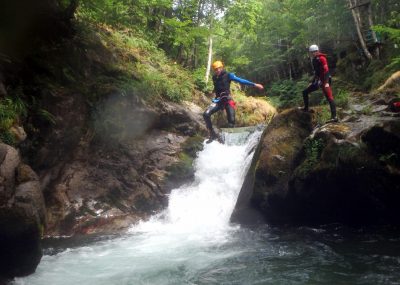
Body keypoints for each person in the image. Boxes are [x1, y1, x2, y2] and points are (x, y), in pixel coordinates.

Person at [203, 60, 264, 143]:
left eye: (219, 68)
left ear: (222, 67)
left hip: (228, 100)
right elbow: (217, 88)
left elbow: (241, 80)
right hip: (218, 100)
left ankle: (229, 144)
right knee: (206, 114)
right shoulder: (214, 77)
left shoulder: (229, 75)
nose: (217, 70)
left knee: (231, 122)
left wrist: (254, 84)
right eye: (216, 69)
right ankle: (212, 134)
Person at [301, 44, 338, 123]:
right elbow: (316, 73)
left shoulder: (322, 58)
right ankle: (306, 108)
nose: (313, 53)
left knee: (329, 97)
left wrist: (327, 82)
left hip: (325, 80)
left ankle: (334, 117)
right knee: (305, 92)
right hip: (318, 80)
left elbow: (326, 70)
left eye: (315, 51)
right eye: (312, 52)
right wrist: (312, 82)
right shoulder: (314, 60)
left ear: (317, 51)